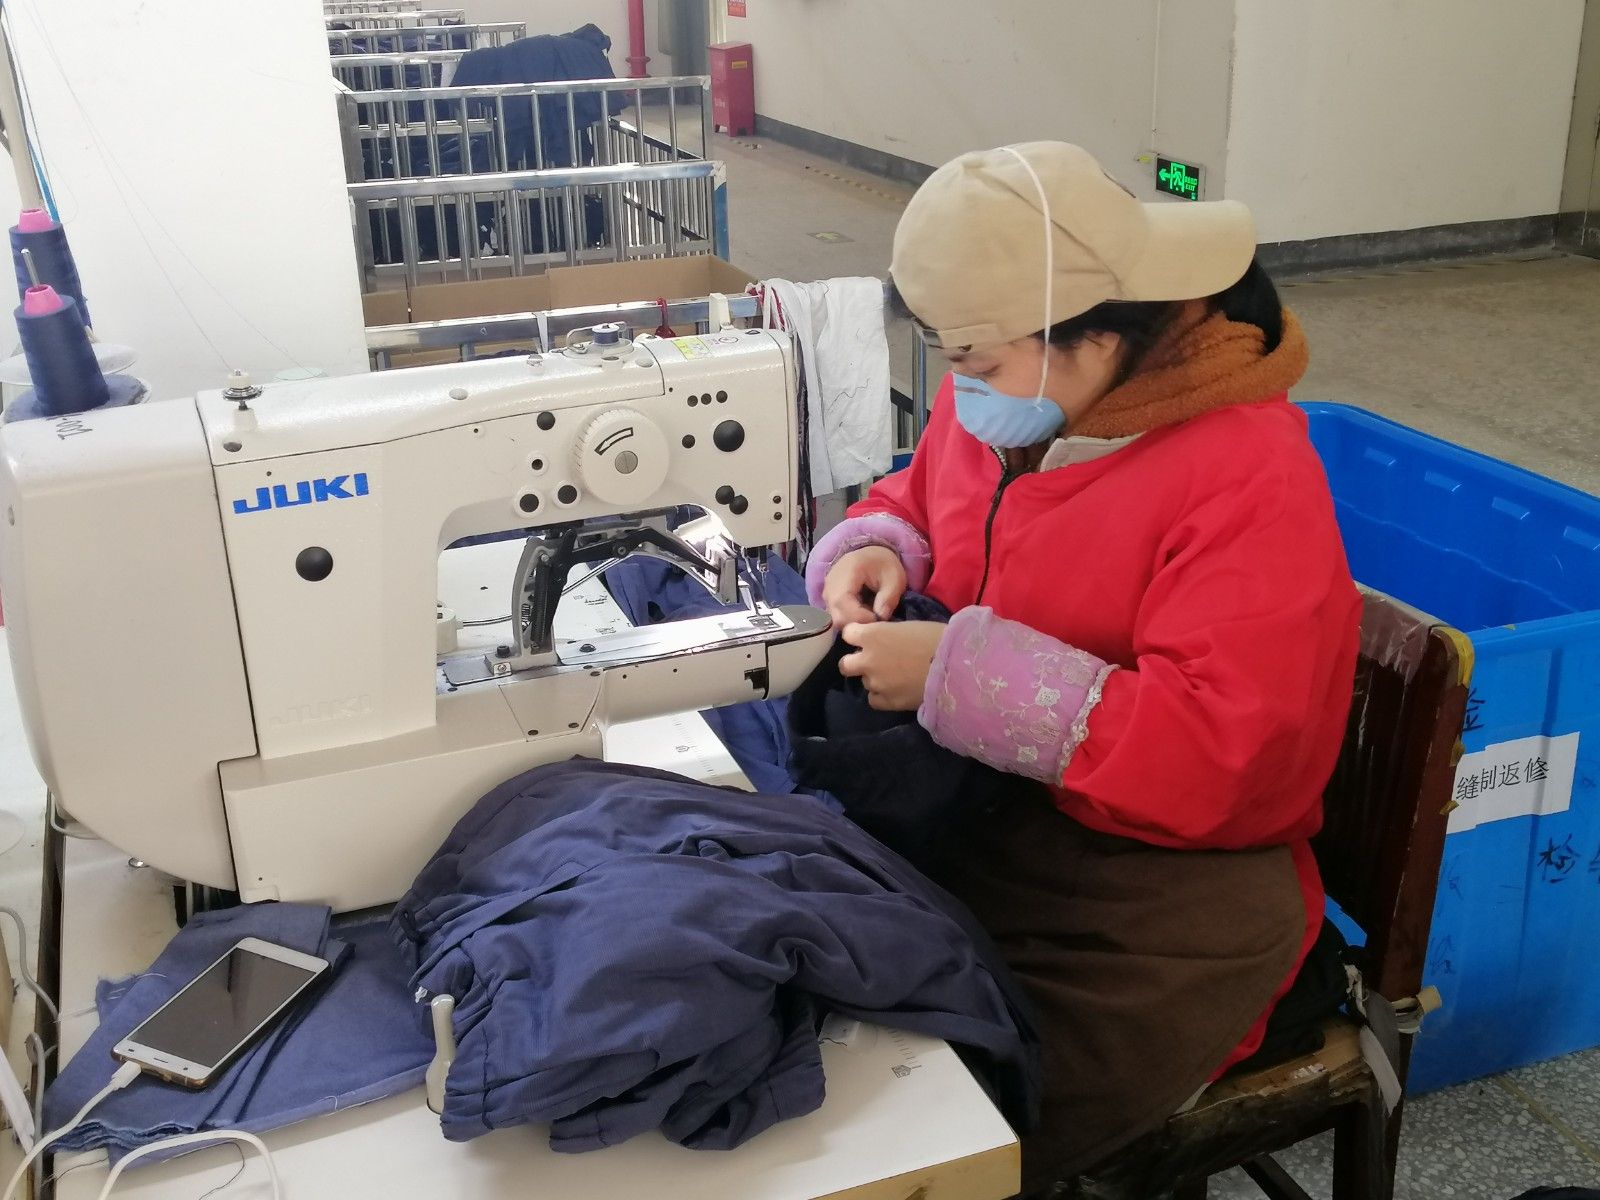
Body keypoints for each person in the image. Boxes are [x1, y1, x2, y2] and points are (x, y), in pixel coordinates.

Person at [804, 142, 1361, 1193]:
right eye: (950, 359)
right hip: (1004, 811)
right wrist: (880, 544)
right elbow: (920, 493)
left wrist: (963, 678)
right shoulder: (1013, 400)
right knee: (840, 990)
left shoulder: (1246, 475)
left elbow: (1231, 754)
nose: (960, 390)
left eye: (979, 362)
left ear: (1099, 331)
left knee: (949, 1111)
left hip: (1172, 884)